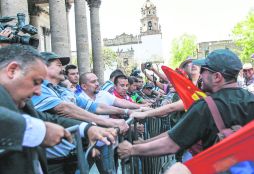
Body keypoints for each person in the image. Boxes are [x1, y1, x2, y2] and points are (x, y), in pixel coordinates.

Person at [0, 44, 117, 174]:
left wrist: (88, 128)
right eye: (36, 82)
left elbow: (49, 119)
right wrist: (41, 131)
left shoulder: (25, 104)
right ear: (12, 71)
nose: (38, 92)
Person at [118, 49, 254, 159]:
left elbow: (171, 144)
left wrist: (131, 150)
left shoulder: (204, 106)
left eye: (204, 71)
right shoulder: (251, 100)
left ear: (217, 77)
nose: (201, 76)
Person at [78, 72, 142, 117]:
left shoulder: (103, 93)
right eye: (93, 82)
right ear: (84, 86)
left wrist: (142, 107)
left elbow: (122, 102)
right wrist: (127, 112)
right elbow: (100, 109)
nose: (97, 83)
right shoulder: (79, 100)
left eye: (97, 81)